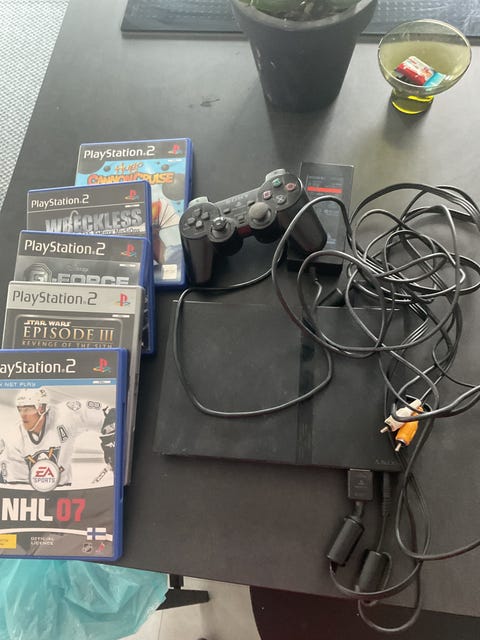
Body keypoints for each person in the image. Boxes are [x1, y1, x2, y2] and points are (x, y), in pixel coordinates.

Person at [0, 387, 116, 489]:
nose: (23, 415)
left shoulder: (66, 415)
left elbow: (109, 415)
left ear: (42, 408)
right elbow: (16, 487)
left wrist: (112, 442)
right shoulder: (13, 438)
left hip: (64, 493)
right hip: (36, 496)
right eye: (20, 409)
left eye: (28, 409)